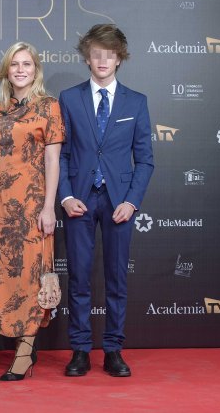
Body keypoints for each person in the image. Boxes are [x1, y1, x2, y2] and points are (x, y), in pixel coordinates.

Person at [58, 24, 154, 377]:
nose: (103, 60)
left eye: (110, 54)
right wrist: (65, 196)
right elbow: (63, 155)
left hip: (119, 204)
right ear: (87, 56)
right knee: (79, 278)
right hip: (79, 201)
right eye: (96, 53)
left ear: (119, 58)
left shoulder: (136, 102)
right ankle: (80, 350)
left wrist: (131, 202)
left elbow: (144, 159)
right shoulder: (68, 98)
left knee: (116, 279)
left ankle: (113, 349)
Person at [0, 42, 64, 381]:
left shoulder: (48, 107)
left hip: (33, 205)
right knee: (8, 275)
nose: (20, 69)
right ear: (7, 70)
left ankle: (25, 352)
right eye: (14, 64)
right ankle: (20, 343)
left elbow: (52, 159)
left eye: (27, 64)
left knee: (32, 275)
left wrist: (49, 206)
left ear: (36, 70)